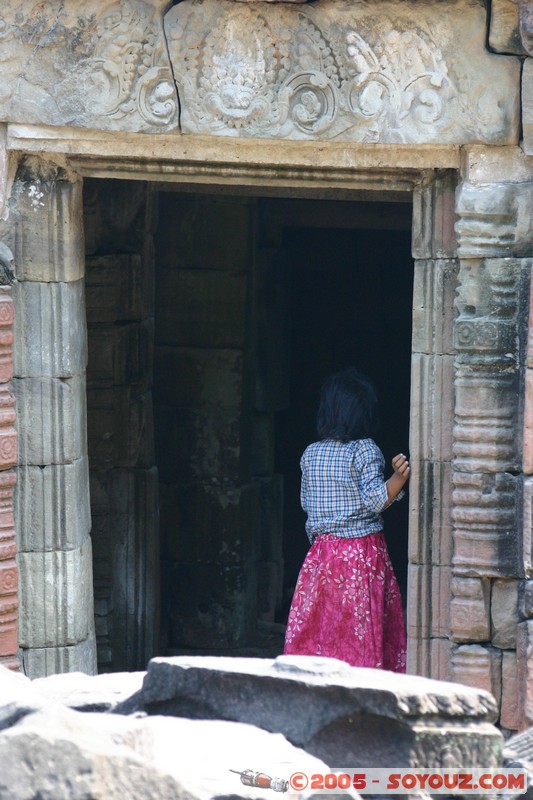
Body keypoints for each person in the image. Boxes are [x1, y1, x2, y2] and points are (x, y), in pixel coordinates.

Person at [283, 367, 409, 672]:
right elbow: (376, 499)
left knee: (320, 628)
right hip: (360, 555)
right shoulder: (364, 449)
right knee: (359, 629)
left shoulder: (310, 454)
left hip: (322, 556)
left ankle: (311, 684)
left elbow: (306, 504)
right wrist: (398, 478)